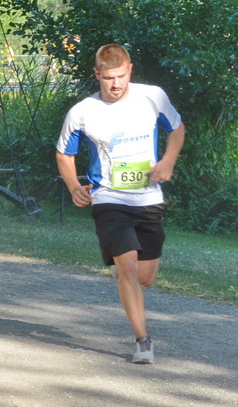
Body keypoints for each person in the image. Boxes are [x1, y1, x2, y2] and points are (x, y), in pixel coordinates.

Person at [54, 43, 185, 365]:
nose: (115, 84)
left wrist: (168, 161)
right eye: (109, 78)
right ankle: (143, 340)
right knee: (126, 267)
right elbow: (63, 153)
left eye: (121, 76)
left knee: (145, 276)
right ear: (97, 74)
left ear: (131, 70)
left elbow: (177, 130)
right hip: (108, 198)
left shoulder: (152, 97)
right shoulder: (82, 112)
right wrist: (73, 186)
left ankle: (127, 276)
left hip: (149, 197)